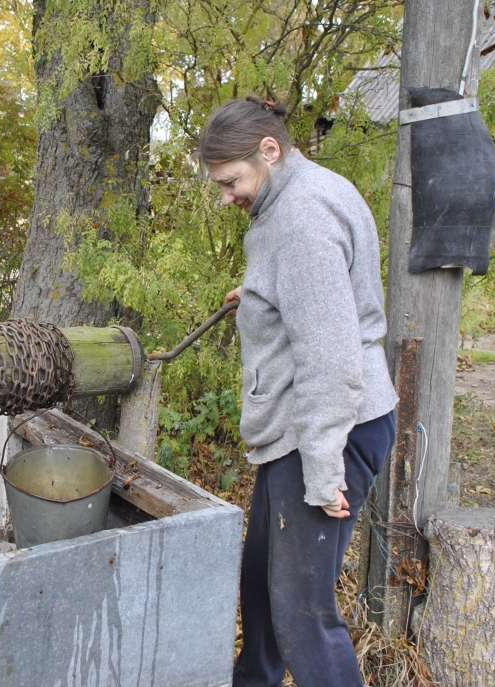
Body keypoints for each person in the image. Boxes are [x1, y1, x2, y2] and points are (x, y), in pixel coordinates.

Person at [199, 95, 399, 687]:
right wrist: (260, 292)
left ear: (269, 151)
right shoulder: (305, 193)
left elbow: (332, 360)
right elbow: (316, 295)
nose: (226, 195)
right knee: (263, 588)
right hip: (308, 425)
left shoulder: (302, 220)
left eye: (231, 181)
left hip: (327, 428)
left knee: (302, 615)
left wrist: (321, 470)